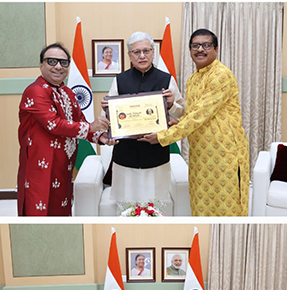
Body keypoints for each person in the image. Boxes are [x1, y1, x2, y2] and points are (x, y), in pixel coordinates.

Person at [139, 29, 250, 216]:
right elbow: (193, 114)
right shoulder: (192, 79)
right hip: (200, 155)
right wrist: (176, 122)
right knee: (201, 207)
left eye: (206, 45)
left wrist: (163, 136)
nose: (200, 49)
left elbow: (199, 114)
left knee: (227, 209)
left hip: (225, 154)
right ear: (190, 50)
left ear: (216, 49)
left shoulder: (221, 75)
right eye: (195, 46)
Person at [17, 43, 111, 216]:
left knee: (61, 207)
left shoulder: (67, 92)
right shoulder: (35, 91)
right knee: (38, 209)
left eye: (63, 62)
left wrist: (101, 137)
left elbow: (80, 121)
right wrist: (91, 127)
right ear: (41, 65)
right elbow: (54, 124)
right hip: (40, 164)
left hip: (63, 164)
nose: (58, 66)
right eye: (52, 61)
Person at [101, 31, 185, 208]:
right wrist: (107, 111)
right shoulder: (119, 80)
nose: (142, 56)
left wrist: (171, 105)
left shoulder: (166, 79)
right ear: (129, 55)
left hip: (156, 156)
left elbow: (181, 115)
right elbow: (108, 120)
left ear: (153, 52)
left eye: (146, 51)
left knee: (154, 207)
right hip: (126, 157)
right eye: (136, 52)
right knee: (126, 207)